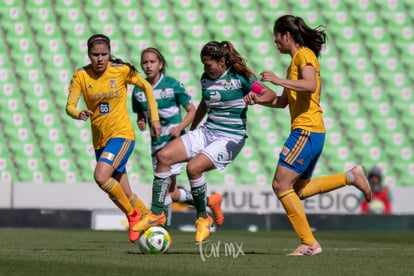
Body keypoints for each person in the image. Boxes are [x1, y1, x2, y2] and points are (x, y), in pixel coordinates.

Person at [244, 15, 372, 256]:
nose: (275, 41)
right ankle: (350, 177)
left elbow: (310, 84)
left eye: (277, 36)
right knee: (297, 190)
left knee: (280, 184)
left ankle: (309, 243)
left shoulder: (304, 55)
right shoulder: (294, 60)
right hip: (310, 131)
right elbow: (282, 102)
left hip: (306, 129)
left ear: (287, 35)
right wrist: (258, 100)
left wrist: (278, 79)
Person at [132, 40, 277, 242]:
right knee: (163, 157)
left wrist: (256, 98)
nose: (205, 68)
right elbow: (205, 103)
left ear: (222, 62)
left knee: (193, 168)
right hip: (207, 131)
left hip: (230, 137)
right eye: (203, 64)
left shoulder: (241, 78)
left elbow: (270, 94)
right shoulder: (206, 78)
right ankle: (156, 213)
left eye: (208, 64)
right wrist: (193, 129)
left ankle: (202, 219)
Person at [65, 34, 161, 243]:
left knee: (101, 176)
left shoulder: (120, 70)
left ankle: (132, 216)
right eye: (95, 54)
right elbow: (69, 106)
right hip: (100, 141)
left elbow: (146, 87)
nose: (100, 58)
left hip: (122, 135)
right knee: (125, 193)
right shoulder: (81, 76)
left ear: (109, 54)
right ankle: (151, 220)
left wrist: (154, 118)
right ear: (88, 55)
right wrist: (78, 113)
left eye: (104, 54)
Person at [132, 47, 221, 230]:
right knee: (171, 192)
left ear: (160, 64)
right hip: (156, 145)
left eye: (152, 62)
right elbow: (142, 115)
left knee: (163, 189)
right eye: (145, 63)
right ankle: (209, 201)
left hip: (173, 143)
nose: (148, 66)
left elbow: (191, 111)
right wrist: (141, 121)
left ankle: (162, 229)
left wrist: (180, 127)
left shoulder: (172, 85)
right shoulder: (139, 91)